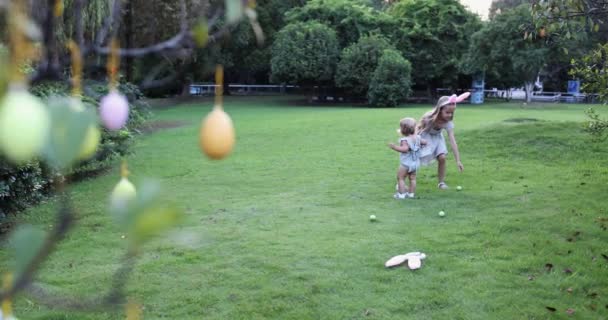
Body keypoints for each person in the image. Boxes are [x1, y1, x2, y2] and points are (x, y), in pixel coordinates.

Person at [417, 93, 469, 189]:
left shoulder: (447, 122)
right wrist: (415, 142)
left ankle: (441, 183)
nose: (450, 115)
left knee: (442, 158)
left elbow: (452, 140)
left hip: (437, 138)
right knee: (415, 159)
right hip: (425, 137)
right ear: (440, 110)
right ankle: (402, 178)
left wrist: (458, 160)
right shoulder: (429, 118)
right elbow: (418, 129)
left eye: (452, 113)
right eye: (447, 112)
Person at [388, 117, 426, 199]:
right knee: (412, 178)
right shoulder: (418, 138)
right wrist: (422, 144)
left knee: (400, 178)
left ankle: (401, 195)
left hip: (406, 164)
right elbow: (425, 142)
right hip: (415, 163)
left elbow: (404, 149)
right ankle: (411, 194)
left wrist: (394, 147)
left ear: (403, 130)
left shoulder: (404, 140)